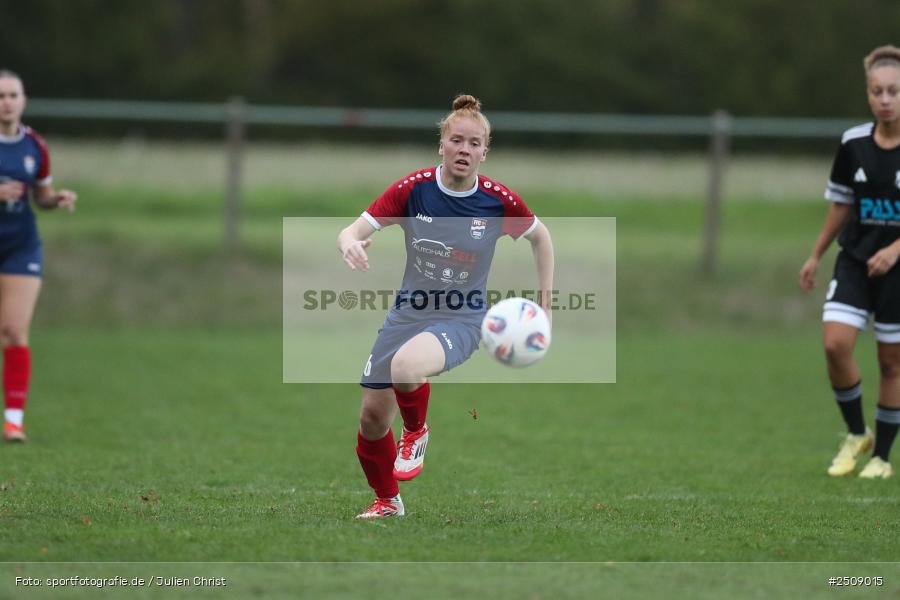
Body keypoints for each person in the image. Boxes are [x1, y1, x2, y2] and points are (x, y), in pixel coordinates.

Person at [337, 94, 555, 518]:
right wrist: (350, 243)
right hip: (407, 313)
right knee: (370, 420)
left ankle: (416, 432)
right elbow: (352, 229)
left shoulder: (497, 201)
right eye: (457, 140)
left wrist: (545, 307)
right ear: (442, 144)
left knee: (405, 369)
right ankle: (387, 503)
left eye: (474, 144)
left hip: (462, 318)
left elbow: (541, 238)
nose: (464, 150)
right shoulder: (414, 190)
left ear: (484, 153)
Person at [799, 45, 900, 479]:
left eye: (894, 90)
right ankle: (856, 433)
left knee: (891, 362)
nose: (885, 99)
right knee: (835, 344)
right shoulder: (853, 143)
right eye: (877, 90)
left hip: (898, 272)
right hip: (855, 262)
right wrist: (816, 253)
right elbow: (841, 205)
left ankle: (882, 458)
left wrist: (897, 249)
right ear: (867, 93)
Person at [0, 70, 77, 442]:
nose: (7, 102)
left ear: (24, 100)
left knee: (15, 331)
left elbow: (40, 196)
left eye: (12, 95)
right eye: (0, 96)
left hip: (20, 244)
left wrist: (56, 199)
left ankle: (14, 420)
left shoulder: (35, 146)